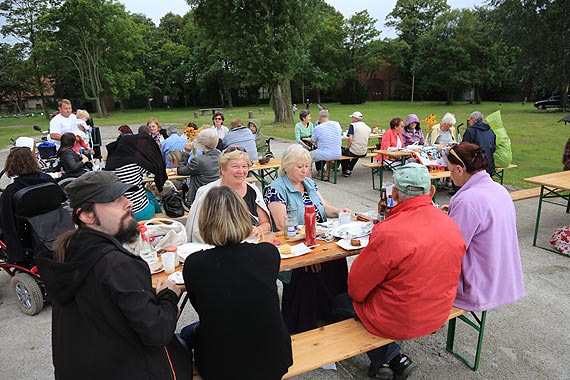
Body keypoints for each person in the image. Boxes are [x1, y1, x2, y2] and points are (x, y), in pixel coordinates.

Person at [35, 171, 192, 380]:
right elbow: (158, 333)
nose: (128, 203)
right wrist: (169, 295)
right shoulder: (115, 264)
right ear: (87, 215)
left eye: (125, 196)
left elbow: (105, 302)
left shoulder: (70, 251)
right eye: (115, 199)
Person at [337, 163, 465, 379]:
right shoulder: (450, 224)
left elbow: (356, 289)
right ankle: (391, 359)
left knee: (339, 303)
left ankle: (386, 358)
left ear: (394, 193)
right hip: (437, 312)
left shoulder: (389, 231)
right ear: (431, 191)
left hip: (398, 319)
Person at [179, 186, 292, 380]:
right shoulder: (268, 253)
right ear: (244, 216)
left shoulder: (195, 264)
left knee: (185, 334)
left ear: (206, 221)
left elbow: (204, 308)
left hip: (221, 366)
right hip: (275, 357)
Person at [263, 144, 352, 334]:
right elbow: (281, 225)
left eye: (307, 166)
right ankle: (303, 320)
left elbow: (324, 207)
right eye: (300, 166)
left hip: (318, 237)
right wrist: (309, 243)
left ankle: (333, 310)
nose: (305, 170)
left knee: (337, 258)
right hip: (294, 243)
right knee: (308, 267)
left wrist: (339, 211)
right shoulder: (275, 188)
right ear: (286, 166)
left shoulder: (309, 183)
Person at [445, 142, 525, 312]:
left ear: (459, 169)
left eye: (450, 170)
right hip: (501, 278)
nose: (450, 175)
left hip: (477, 287)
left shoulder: (467, 200)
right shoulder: (499, 189)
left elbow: (450, 248)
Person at [186, 146, 271, 243]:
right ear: (223, 169)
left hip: (249, 248)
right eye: (235, 166)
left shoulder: (253, 191)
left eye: (244, 166)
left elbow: (266, 223)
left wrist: (258, 230)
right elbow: (198, 232)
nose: (241, 171)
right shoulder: (207, 193)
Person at [0, 146, 56, 266]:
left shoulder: (12, 191)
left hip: (26, 239)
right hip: (53, 230)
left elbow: (6, 221)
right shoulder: (48, 180)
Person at [105, 132, 166, 222]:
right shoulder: (134, 164)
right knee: (150, 196)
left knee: (147, 192)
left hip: (119, 214)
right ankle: (160, 220)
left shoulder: (109, 167)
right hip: (141, 213)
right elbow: (150, 170)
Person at [178, 128, 221, 206]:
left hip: (200, 197)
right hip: (218, 195)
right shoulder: (222, 157)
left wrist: (186, 153)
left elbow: (181, 171)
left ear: (203, 145)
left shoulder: (198, 161)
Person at [310, 109, 342, 174]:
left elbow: (313, 140)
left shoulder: (318, 128)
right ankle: (326, 174)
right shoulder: (337, 124)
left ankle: (308, 175)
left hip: (324, 154)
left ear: (319, 117)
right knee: (328, 151)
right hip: (337, 153)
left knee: (307, 156)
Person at [341, 111, 371, 177]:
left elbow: (350, 139)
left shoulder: (353, 125)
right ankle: (349, 169)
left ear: (355, 118)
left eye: (352, 117)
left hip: (354, 151)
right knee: (356, 152)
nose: (352, 119)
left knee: (343, 151)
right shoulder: (368, 128)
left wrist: (347, 147)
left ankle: (345, 170)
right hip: (364, 151)